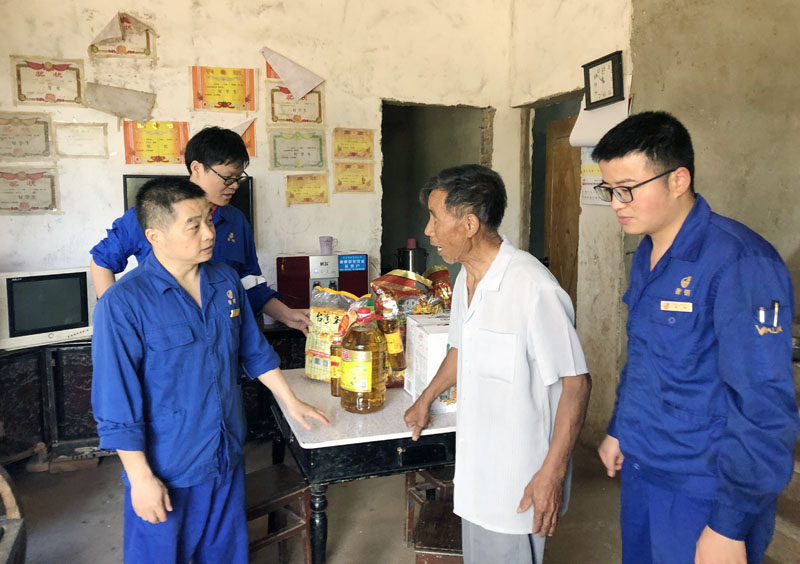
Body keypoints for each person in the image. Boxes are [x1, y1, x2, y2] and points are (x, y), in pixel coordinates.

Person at [593, 111, 799, 564]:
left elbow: (764, 404)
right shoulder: (646, 252)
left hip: (704, 487)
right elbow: (644, 359)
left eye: (627, 188)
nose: (616, 204)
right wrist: (620, 430)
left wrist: (729, 524)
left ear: (678, 179)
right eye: (608, 190)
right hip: (644, 467)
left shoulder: (740, 262)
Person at [91, 177, 329, 563]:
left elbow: (253, 351)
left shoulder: (225, 280)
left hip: (225, 452)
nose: (209, 233)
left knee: (225, 554)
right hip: (169, 464)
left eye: (208, 220)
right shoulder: (123, 304)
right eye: (194, 225)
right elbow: (115, 401)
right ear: (155, 236)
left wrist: (291, 401)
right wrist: (140, 478)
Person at [403, 164, 592, 564]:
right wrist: (426, 398)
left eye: (435, 218)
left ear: (469, 224)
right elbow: (462, 348)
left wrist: (552, 475)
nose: (428, 230)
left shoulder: (533, 287)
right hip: (477, 473)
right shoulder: (465, 279)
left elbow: (577, 384)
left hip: (518, 481)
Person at [90, 126, 311, 334]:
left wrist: (287, 315)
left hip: (223, 334)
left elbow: (249, 282)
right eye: (228, 178)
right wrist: (117, 321)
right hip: (168, 336)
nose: (235, 185)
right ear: (196, 168)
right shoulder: (152, 215)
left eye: (238, 178)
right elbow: (102, 262)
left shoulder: (236, 221)